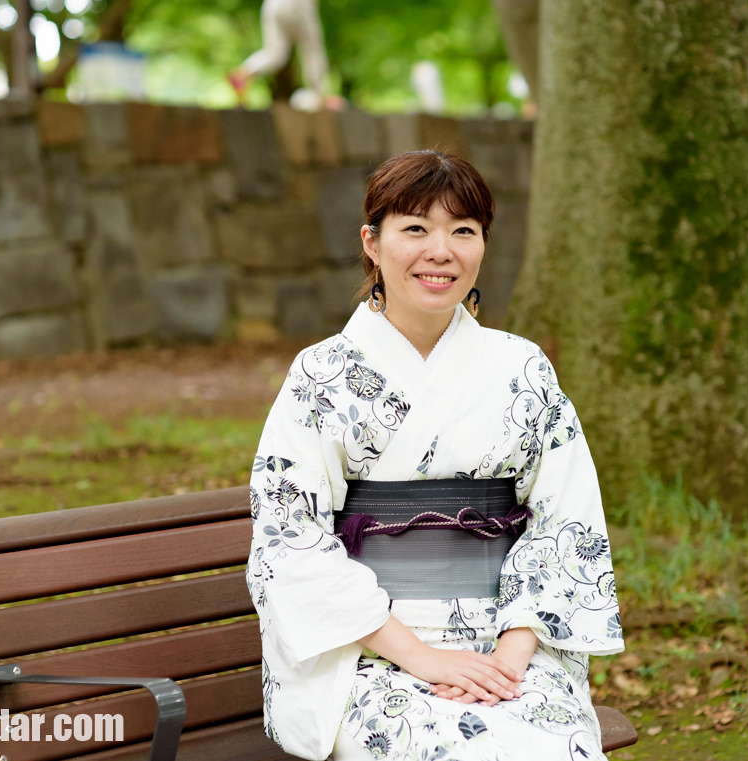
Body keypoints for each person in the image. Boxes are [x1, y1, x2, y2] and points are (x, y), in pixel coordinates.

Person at [246, 150, 624, 761]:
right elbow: (290, 541)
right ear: (372, 242)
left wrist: (511, 654)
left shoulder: (521, 368)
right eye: (415, 229)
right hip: (365, 652)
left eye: (463, 231)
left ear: (483, 246)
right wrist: (421, 658)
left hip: (506, 641)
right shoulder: (321, 375)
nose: (440, 251)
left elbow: (565, 519)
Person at [229, 0, 338, 112]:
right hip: (298, 5)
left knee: (275, 54)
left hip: (273, 5)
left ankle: (243, 73)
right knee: (312, 49)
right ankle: (320, 96)